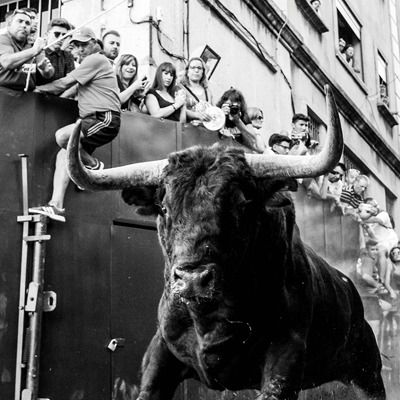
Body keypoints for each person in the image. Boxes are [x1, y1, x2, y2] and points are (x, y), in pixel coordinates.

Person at [28, 27, 121, 222]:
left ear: (94, 43)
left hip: (104, 119)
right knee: (65, 154)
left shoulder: (96, 59)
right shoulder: (89, 66)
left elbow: (64, 83)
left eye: (83, 44)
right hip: (92, 120)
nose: (79, 48)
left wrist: (37, 89)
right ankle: (56, 206)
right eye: (77, 45)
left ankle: (94, 165)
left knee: (62, 137)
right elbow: (70, 90)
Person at [0, 9, 54, 90]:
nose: (24, 25)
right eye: (20, 21)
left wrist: (45, 69)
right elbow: (7, 62)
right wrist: (34, 50)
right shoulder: (3, 39)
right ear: (9, 24)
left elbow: (48, 74)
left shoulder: (34, 43)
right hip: (4, 91)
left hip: (27, 93)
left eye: (27, 23)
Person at [358, 198, 399, 290]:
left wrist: (360, 217)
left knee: (380, 251)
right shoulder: (366, 220)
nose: (375, 208)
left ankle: (382, 280)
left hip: (389, 242)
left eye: (376, 205)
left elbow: (375, 220)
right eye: (372, 206)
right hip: (378, 244)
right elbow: (372, 237)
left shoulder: (383, 214)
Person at [216, 88, 264, 153]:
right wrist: (221, 116)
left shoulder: (243, 116)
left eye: (235, 107)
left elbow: (253, 141)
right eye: (229, 106)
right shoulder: (217, 114)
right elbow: (218, 137)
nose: (232, 109)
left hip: (239, 152)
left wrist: (238, 121)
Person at [36, 18, 75, 85]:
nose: (61, 38)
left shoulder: (68, 56)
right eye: (57, 34)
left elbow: (70, 81)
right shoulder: (37, 53)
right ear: (46, 35)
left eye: (64, 35)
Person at [179, 57, 213, 123]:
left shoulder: (208, 91)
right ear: (187, 71)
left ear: (203, 72)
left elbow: (213, 111)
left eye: (199, 68)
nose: (196, 70)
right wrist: (196, 115)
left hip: (205, 130)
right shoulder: (180, 88)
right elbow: (178, 110)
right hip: (187, 129)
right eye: (193, 68)